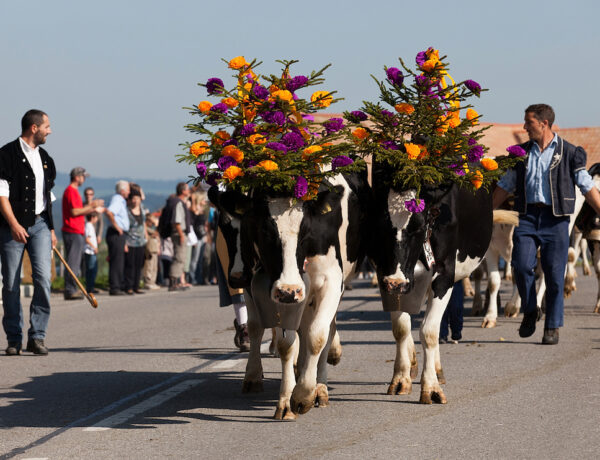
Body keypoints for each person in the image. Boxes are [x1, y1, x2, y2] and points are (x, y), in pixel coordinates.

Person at [493, 104, 600, 345]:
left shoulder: (571, 153)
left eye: (528, 123)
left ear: (543, 124)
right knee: (520, 266)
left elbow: (586, 186)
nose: (524, 127)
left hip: (557, 220)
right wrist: (485, 210)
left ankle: (552, 325)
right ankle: (531, 309)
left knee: (553, 276)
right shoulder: (520, 153)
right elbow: (506, 184)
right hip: (527, 217)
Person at [0, 109, 56, 355]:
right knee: (11, 283)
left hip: (40, 225)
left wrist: (51, 229)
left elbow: (47, 197)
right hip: (11, 226)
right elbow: (1, 196)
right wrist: (13, 225)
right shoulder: (6, 155)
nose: (50, 131)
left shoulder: (46, 158)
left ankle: (38, 336)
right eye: (47, 126)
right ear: (34, 128)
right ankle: (14, 338)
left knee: (43, 278)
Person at [61, 167, 104, 300]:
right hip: (72, 230)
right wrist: (92, 206)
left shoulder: (73, 191)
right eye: (83, 176)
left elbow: (78, 211)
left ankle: (72, 288)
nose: (84, 179)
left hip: (76, 231)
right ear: (77, 177)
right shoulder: (71, 191)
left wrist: (92, 209)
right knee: (73, 262)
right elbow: (75, 212)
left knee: (75, 261)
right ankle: (70, 289)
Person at [160, 183, 191, 291]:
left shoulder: (175, 202)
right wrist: (182, 235)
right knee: (179, 257)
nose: (189, 191)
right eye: (187, 189)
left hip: (177, 233)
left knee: (179, 257)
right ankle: (173, 282)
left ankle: (176, 281)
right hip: (179, 233)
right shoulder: (178, 203)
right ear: (183, 191)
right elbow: (176, 221)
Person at [104, 180, 130, 295]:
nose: (129, 192)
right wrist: (117, 227)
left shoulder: (121, 201)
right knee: (117, 261)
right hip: (116, 233)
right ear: (123, 190)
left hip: (119, 233)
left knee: (119, 260)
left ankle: (118, 284)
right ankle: (115, 286)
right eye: (128, 190)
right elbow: (109, 212)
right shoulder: (118, 200)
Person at [124, 188, 148, 294]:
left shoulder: (142, 209)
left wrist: (146, 236)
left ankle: (136, 285)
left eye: (137, 198)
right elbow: (125, 227)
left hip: (141, 241)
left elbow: (144, 224)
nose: (135, 200)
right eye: (133, 198)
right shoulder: (126, 211)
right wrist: (124, 242)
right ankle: (128, 286)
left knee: (139, 264)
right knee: (130, 265)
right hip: (130, 241)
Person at [142, 213, 161, 289]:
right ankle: (148, 281)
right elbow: (156, 233)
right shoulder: (146, 228)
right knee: (149, 266)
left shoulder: (151, 228)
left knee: (154, 267)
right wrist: (157, 226)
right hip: (149, 249)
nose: (152, 224)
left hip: (154, 249)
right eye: (151, 222)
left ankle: (153, 281)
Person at [84, 213, 100, 293]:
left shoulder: (89, 226)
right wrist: (94, 247)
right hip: (90, 251)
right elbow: (87, 239)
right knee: (92, 270)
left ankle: (90, 287)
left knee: (91, 270)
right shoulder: (89, 226)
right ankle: (90, 288)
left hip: (90, 251)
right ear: (92, 217)